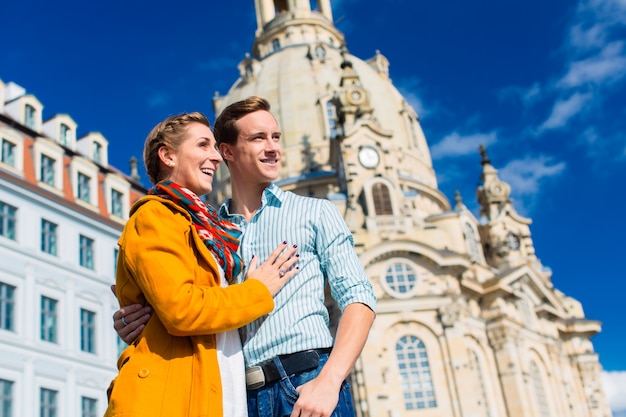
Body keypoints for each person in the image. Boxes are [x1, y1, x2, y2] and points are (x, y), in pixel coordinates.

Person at [115, 97, 376, 417]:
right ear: (228, 152)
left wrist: (330, 380)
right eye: (258, 138)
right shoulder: (204, 233)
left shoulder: (314, 211)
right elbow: (186, 304)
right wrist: (141, 320)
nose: (273, 148)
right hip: (234, 397)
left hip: (307, 383)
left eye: (276, 137)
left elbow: (359, 297)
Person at [105, 111, 299, 417]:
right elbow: (182, 309)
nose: (216, 156)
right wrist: (257, 291)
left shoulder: (210, 229)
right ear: (168, 155)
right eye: (203, 145)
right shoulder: (156, 215)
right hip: (169, 398)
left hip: (216, 391)